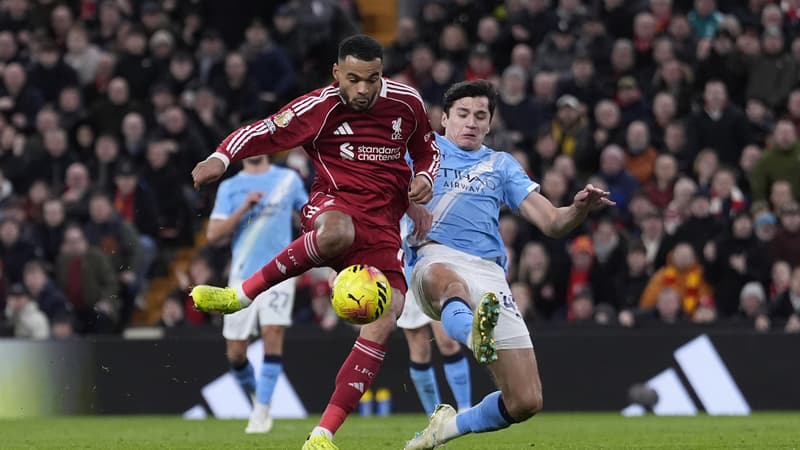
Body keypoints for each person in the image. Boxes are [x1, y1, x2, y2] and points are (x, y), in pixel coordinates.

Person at [189, 35, 439, 450]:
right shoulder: (318, 108)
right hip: (334, 205)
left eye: (373, 79)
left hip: (383, 226)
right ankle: (242, 295)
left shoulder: (407, 102)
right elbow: (264, 131)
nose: (364, 89)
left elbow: (427, 149)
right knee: (339, 232)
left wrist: (424, 177)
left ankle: (322, 434)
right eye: (355, 78)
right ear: (337, 73)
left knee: (387, 316)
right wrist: (221, 157)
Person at [403, 80, 613, 450]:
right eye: (463, 114)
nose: (471, 122)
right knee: (452, 285)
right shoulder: (423, 153)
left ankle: (448, 428)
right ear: (445, 118)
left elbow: (551, 222)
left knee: (525, 401)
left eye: (480, 116)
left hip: (488, 272)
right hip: (432, 257)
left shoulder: (501, 165)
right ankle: (473, 335)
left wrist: (578, 208)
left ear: (490, 123)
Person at [206, 155, 308, 433]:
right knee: (236, 353)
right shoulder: (230, 186)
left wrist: (300, 219)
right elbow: (213, 234)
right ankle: (257, 398)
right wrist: (244, 207)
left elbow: (311, 215)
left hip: (280, 271)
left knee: (272, 333)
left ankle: (262, 412)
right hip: (242, 275)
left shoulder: (288, 179)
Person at [398, 216, 472, 417]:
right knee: (419, 349)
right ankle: (435, 417)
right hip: (403, 272)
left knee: (447, 341)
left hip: (431, 264)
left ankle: (465, 407)